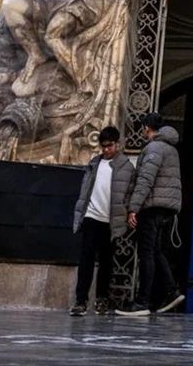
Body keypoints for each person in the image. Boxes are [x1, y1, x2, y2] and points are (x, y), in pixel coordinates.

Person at [116, 112, 184, 316]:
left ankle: (142, 301)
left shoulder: (154, 148)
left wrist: (133, 207)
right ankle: (171, 291)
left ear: (146, 127)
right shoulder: (171, 149)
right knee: (155, 251)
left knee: (146, 252)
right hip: (165, 207)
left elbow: (145, 179)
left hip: (152, 206)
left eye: (143, 128)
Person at [70, 125, 135, 316]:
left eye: (110, 146)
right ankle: (81, 300)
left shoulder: (126, 167)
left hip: (111, 220)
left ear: (118, 144)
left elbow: (131, 193)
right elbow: (86, 190)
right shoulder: (94, 164)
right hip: (91, 216)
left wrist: (129, 212)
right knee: (86, 261)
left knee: (107, 262)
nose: (106, 150)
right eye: (103, 146)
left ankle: (102, 299)